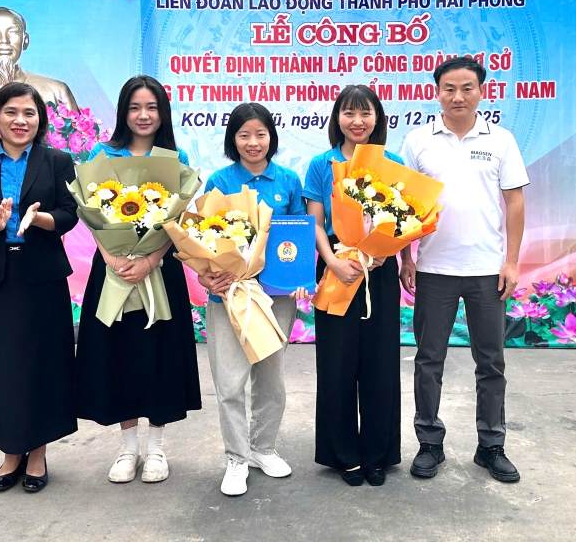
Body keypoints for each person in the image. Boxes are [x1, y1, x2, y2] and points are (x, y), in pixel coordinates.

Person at [400, 56, 528, 483]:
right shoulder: (418, 141)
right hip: (434, 268)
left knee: (491, 363)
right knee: (428, 360)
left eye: (467, 88)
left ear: (481, 91)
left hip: (487, 271)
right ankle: (429, 443)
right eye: (449, 89)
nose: (458, 96)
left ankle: (491, 445)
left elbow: (514, 203)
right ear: (437, 92)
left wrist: (511, 261)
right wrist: (407, 258)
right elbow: (401, 205)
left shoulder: (501, 140)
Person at [0, 82, 80, 494]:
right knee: (0, 367)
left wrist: (39, 219)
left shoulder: (57, 161)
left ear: (40, 120)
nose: (21, 121)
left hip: (42, 277)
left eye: (29, 113)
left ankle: (37, 452)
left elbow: (70, 213)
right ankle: (10, 452)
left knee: (42, 364)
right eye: (12, 112)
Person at [74, 75, 201, 485]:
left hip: (159, 271)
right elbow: (89, 211)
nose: (143, 115)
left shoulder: (175, 158)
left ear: (162, 113)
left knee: (159, 355)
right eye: (134, 107)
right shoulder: (102, 155)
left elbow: (178, 220)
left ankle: (157, 448)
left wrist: (151, 259)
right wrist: (112, 255)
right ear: (123, 112)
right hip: (113, 270)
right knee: (120, 354)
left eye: (151, 107)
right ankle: (128, 449)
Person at [198, 102, 309, 497]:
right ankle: (236, 457)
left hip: (275, 296)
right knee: (230, 381)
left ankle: (264, 448)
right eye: (244, 135)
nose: (253, 142)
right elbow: (205, 237)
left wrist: (300, 277)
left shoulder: (288, 181)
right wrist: (208, 274)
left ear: (271, 137)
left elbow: (298, 234)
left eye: (260, 134)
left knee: (270, 379)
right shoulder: (219, 181)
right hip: (230, 295)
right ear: (233, 139)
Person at [302, 85, 405, 487]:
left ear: (377, 118)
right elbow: (314, 221)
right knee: (337, 364)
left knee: (381, 364)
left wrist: (384, 251)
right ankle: (343, 455)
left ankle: (378, 454)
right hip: (336, 268)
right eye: (349, 113)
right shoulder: (321, 164)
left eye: (365, 113)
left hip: (380, 271)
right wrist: (331, 262)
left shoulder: (392, 163)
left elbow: (404, 217)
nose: (357, 121)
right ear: (337, 118)